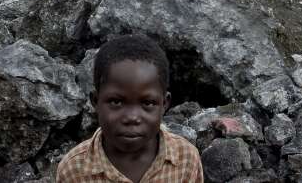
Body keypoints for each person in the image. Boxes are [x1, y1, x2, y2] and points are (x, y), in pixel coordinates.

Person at [56, 34, 203, 183]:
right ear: (96, 101)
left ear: (164, 104)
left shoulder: (186, 159)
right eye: (116, 102)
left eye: (148, 103)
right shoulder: (73, 170)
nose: (132, 117)